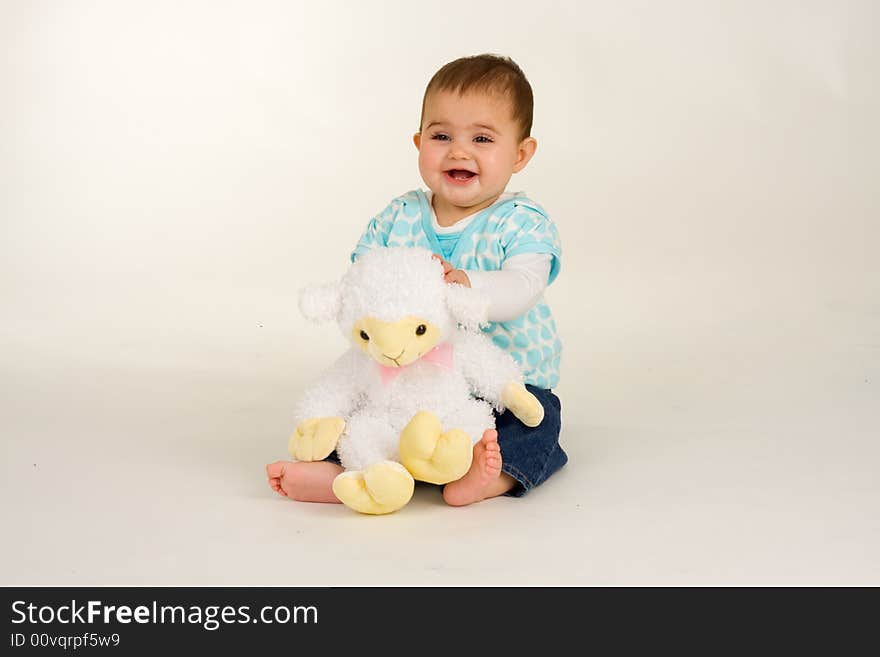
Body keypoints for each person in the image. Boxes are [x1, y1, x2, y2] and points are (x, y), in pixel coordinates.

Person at [267, 53, 567, 507]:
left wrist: (465, 283)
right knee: (359, 416)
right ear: (418, 141)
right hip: (405, 379)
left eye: (482, 138)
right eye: (441, 135)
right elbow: (363, 279)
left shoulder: (521, 223)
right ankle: (344, 473)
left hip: (499, 382)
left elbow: (523, 286)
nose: (459, 151)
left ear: (521, 153)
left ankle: (492, 474)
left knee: (538, 420)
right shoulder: (400, 216)